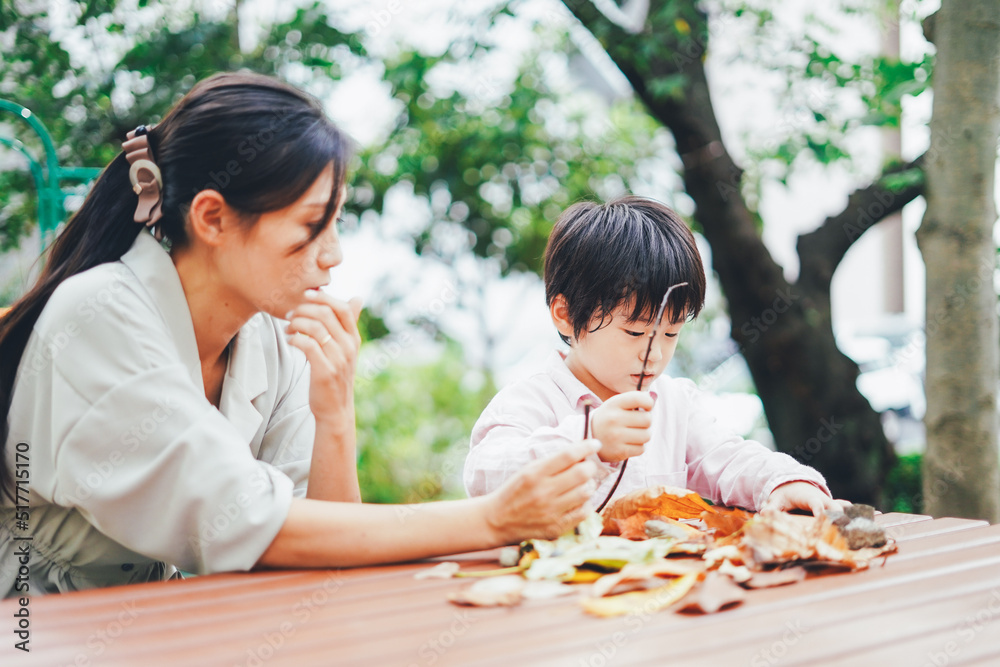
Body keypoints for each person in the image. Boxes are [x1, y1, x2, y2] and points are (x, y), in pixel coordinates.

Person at [0, 72, 599, 597]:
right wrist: (493, 519)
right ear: (212, 218)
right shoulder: (99, 314)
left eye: (336, 223)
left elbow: (326, 550)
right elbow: (247, 523)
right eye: (312, 226)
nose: (333, 256)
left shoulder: (270, 339)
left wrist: (335, 408)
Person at [464, 196, 841, 515]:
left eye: (671, 333)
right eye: (634, 332)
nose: (654, 354)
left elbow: (729, 458)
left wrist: (784, 482)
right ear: (565, 314)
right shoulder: (531, 402)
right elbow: (485, 477)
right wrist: (587, 438)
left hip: (662, 591)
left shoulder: (675, 404)